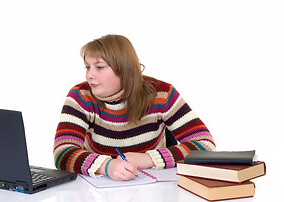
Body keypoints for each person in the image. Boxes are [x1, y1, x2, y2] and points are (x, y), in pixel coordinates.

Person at [53, 34, 216, 181]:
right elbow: (62, 152)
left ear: (124, 69)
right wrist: (107, 166)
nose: (90, 75)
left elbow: (205, 145)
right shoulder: (80, 96)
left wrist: (149, 159)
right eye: (87, 67)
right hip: (98, 192)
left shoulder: (162, 94)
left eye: (100, 67)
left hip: (155, 189)